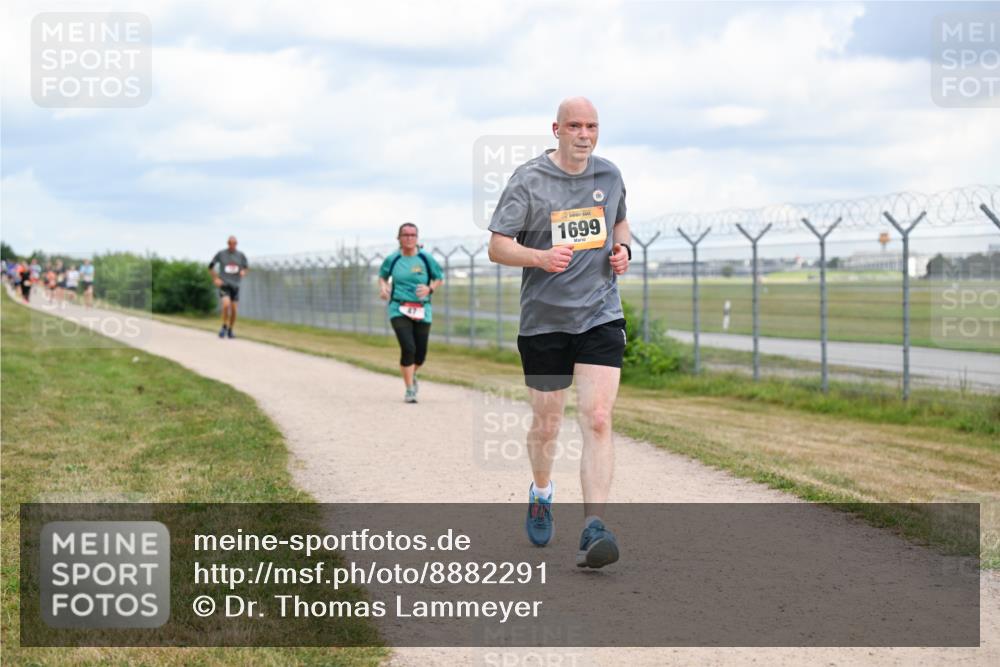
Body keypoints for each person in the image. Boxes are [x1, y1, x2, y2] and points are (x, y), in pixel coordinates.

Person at [487, 97, 631, 569]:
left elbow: (620, 221)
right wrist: (540, 258)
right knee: (548, 424)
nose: (584, 134)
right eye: (574, 125)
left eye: (591, 125)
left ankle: (594, 528)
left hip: (600, 314)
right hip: (545, 320)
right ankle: (542, 492)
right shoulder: (529, 180)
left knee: (598, 418)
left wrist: (623, 249)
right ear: (556, 129)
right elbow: (497, 247)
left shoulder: (609, 176)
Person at [378, 223, 444, 403]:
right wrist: (384, 288)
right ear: (398, 238)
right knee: (408, 348)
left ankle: (411, 374)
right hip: (398, 308)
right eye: (405, 235)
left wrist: (430, 288)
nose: (409, 238)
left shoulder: (425, 258)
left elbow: (439, 278)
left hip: (422, 309)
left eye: (413, 235)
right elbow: (382, 277)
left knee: (420, 354)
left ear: (417, 237)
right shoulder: (392, 259)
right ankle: (409, 389)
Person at [208, 236, 249, 339]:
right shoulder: (221, 254)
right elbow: (210, 267)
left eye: (234, 243)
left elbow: (246, 267)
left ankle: (230, 329)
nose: (232, 245)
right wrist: (215, 279)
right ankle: (224, 326)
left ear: (237, 244)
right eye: (230, 243)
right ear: (228, 243)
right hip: (224, 284)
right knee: (226, 305)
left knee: (234, 310)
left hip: (235, 285)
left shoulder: (241, 255)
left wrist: (244, 271)